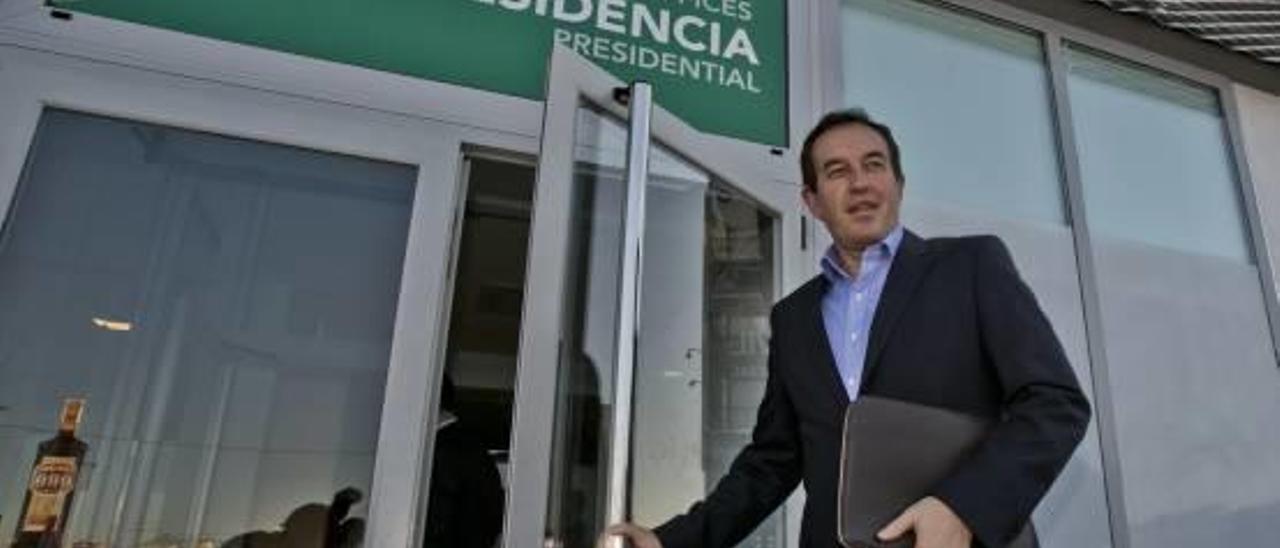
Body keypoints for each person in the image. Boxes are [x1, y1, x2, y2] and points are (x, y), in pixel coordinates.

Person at [600, 109, 1092, 548]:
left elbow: (1055, 402)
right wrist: (672, 542)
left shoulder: (970, 266)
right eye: (837, 172)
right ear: (812, 202)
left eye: (874, 165)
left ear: (899, 183)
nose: (859, 183)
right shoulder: (793, 319)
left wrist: (963, 508)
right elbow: (772, 462)